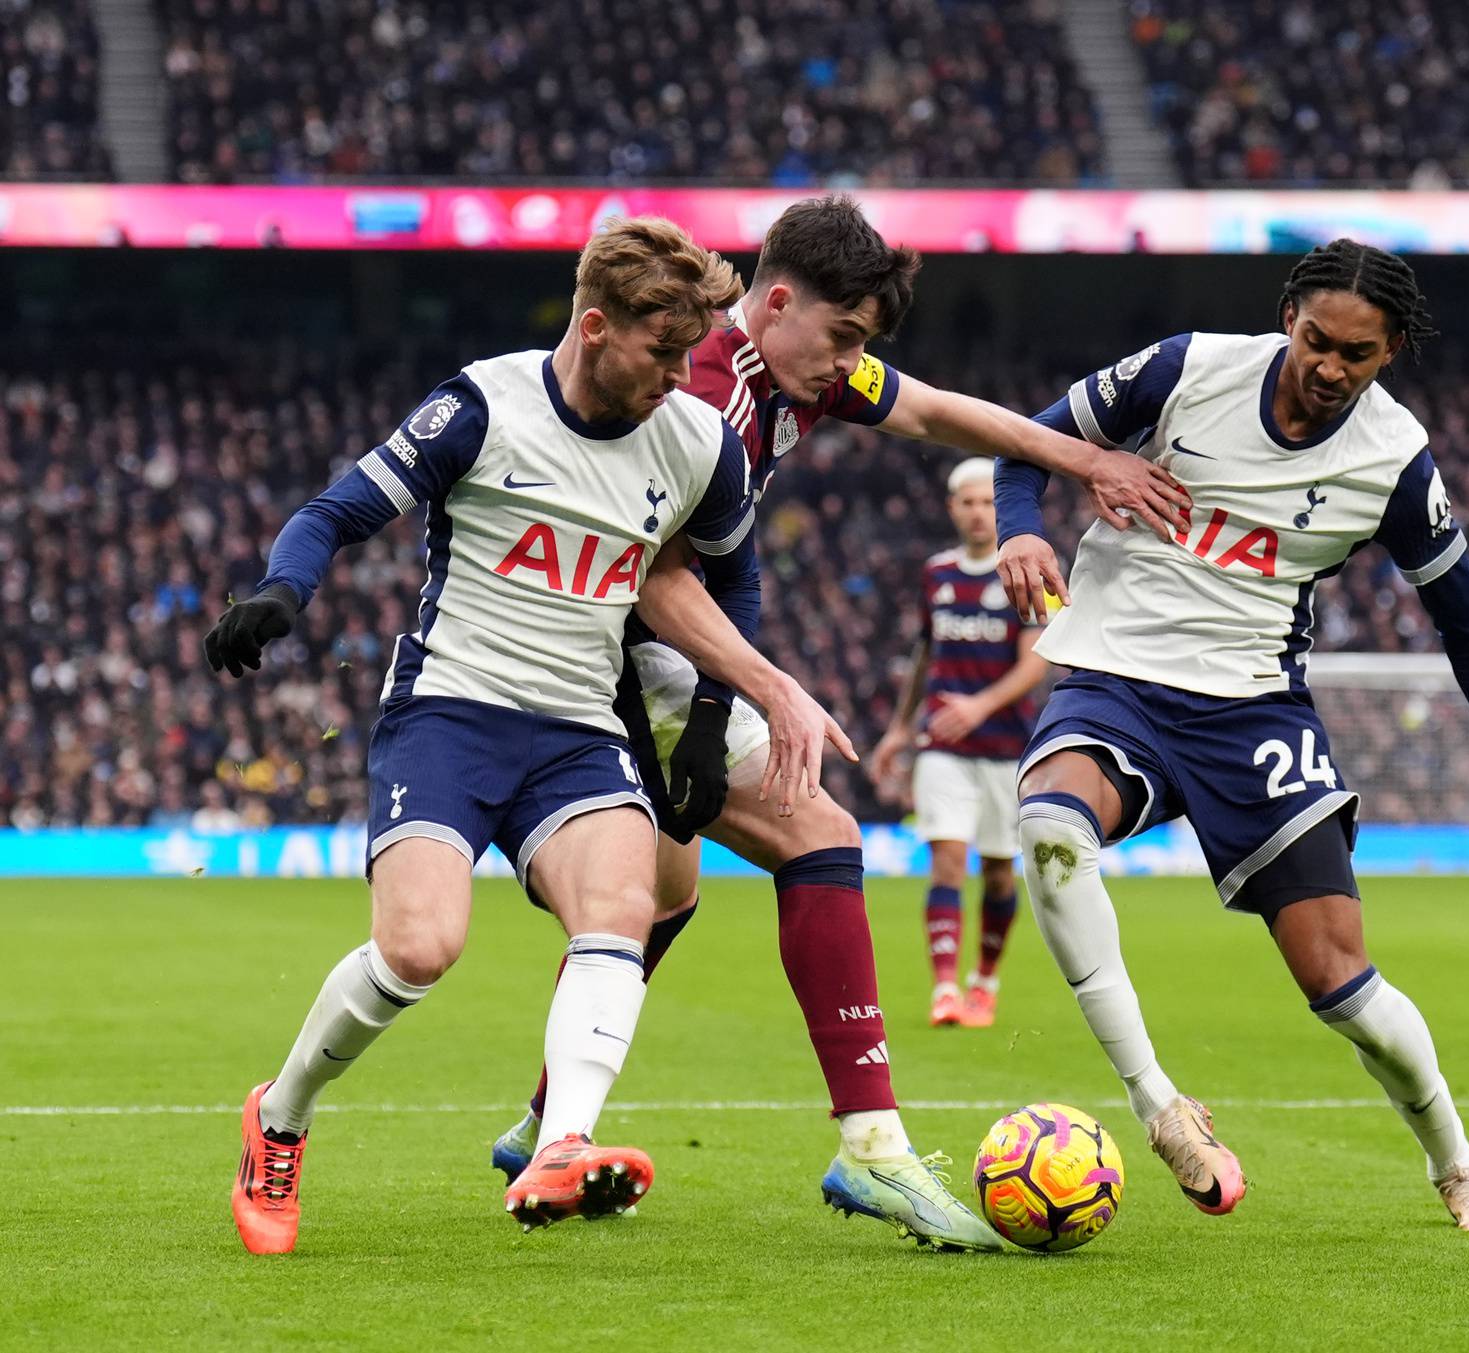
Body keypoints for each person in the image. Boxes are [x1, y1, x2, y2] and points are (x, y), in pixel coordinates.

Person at [486, 195, 1188, 1250]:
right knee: (822, 837)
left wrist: (1081, 461)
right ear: (776, 303)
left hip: (648, 659)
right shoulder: (709, 388)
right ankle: (872, 1146)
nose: (852, 362)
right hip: (619, 658)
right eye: (844, 335)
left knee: (664, 894)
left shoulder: (796, 367)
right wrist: (768, 685)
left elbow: (939, 411)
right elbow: (653, 575)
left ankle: (545, 1126)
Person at [205, 216, 817, 1251]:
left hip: (579, 727)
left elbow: (735, 575)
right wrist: (281, 592)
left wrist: (714, 715)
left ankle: (562, 1146)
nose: (682, 376)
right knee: (419, 948)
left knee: (621, 909)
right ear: (593, 327)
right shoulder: (483, 405)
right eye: (664, 353)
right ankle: (279, 1117)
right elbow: (336, 513)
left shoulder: (701, 443)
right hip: (449, 709)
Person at [993, 239, 1469, 1233]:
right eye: (1317, 340)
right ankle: (1160, 1106)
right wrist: (1019, 526)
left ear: (1392, 353)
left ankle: (1457, 1162)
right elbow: (1025, 441)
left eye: (1359, 354)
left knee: (1339, 983)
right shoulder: (1187, 369)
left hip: (1254, 711)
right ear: (1289, 315)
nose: (1331, 368)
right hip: (1119, 679)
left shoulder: (1390, 457)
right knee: (1047, 830)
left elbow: (1467, 625)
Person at [872, 458, 1050, 1028]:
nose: (979, 513)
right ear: (953, 508)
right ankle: (944, 989)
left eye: (989, 503)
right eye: (969, 503)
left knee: (999, 872)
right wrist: (902, 727)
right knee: (947, 862)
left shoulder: (1026, 570)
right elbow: (926, 656)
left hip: (1006, 746)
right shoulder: (936, 574)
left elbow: (1036, 662)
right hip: (942, 746)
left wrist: (978, 705)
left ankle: (985, 983)